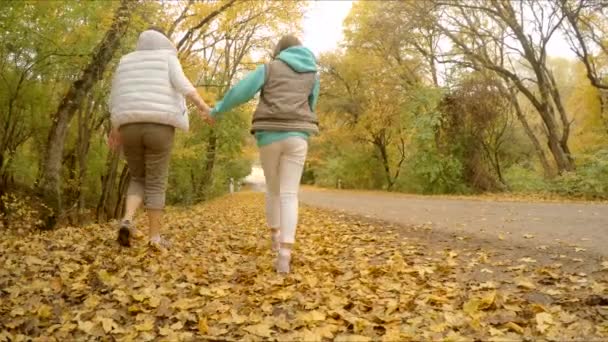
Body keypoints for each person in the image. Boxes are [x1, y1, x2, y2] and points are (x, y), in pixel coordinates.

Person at [211, 35, 320, 273]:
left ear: (279, 51)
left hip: (269, 134)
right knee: (290, 193)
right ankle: (285, 253)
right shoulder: (313, 73)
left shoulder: (269, 68)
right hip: (298, 135)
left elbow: (242, 91)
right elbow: (312, 104)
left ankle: (274, 235)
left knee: (273, 189)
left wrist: (217, 109)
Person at [108, 27, 213, 250]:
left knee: (137, 177)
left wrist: (115, 127)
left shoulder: (125, 61)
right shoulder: (167, 58)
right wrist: (203, 106)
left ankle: (127, 219)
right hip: (159, 127)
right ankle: (154, 238)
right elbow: (183, 85)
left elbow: (115, 94)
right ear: (164, 40)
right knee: (156, 181)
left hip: (128, 126)